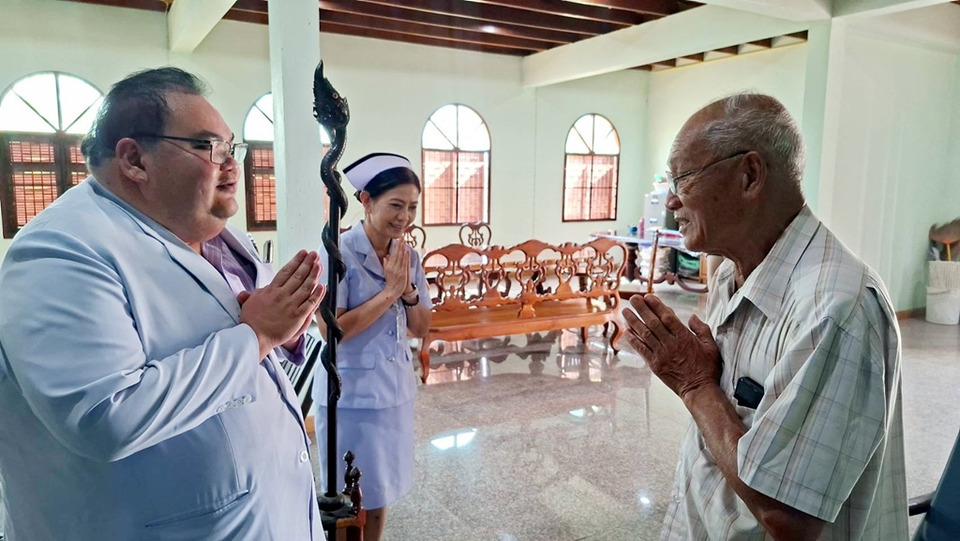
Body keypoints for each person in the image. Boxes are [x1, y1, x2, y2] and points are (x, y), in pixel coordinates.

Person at [0, 67, 326, 540]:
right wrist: (257, 336)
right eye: (209, 147)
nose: (232, 165)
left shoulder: (219, 236)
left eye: (232, 148)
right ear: (134, 160)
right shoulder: (60, 250)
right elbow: (105, 416)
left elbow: (249, 336)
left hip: (267, 513)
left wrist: (283, 328)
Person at [623, 93, 907, 540]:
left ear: (750, 175)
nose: (672, 201)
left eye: (683, 179)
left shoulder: (836, 307)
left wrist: (696, 385)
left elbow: (788, 517)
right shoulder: (730, 274)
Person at [313, 153, 432, 541]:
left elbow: (421, 327)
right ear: (366, 200)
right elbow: (332, 330)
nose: (404, 217)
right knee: (349, 498)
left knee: (381, 491)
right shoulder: (337, 252)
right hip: (350, 397)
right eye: (395, 205)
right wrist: (389, 293)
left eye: (412, 207)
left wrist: (408, 291)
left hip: (394, 391)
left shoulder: (407, 255)